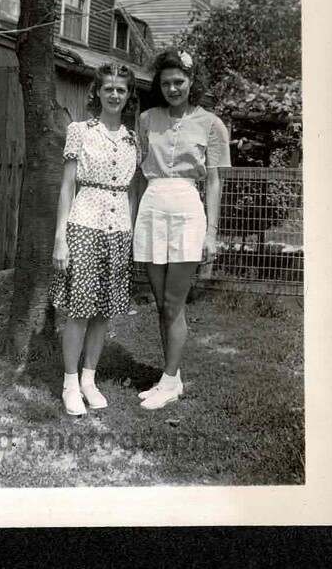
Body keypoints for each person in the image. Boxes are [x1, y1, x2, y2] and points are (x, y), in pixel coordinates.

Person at [133, 47, 231, 410]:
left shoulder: (211, 123)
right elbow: (137, 175)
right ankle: (170, 377)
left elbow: (215, 181)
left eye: (179, 82)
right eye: (166, 83)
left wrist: (212, 232)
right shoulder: (146, 119)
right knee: (161, 303)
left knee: (174, 303)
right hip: (152, 205)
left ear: (191, 81)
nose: (173, 89)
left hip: (188, 208)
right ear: (159, 86)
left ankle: (170, 381)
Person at [50, 63, 140, 416]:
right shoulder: (80, 131)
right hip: (84, 224)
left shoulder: (133, 139)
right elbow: (66, 187)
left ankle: (89, 379)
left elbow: (131, 192)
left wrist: (130, 233)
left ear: (128, 95)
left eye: (121, 89)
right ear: (97, 93)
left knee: (102, 311)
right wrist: (60, 238)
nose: (114, 95)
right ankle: (70, 383)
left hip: (118, 230)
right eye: (108, 89)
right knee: (80, 309)